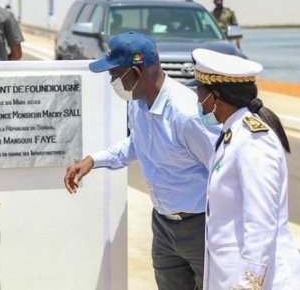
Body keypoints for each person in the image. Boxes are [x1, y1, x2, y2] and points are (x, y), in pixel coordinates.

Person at [64, 31, 219, 290]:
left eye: (115, 75)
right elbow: (136, 144)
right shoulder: (138, 103)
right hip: (163, 226)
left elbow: (220, 168)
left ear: (135, 74)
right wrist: (93, 159)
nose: (113, 81)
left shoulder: (186, 115)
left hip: (201, 227)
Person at [189, 48, 300, 289]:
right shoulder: (234, 132)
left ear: (215, 96)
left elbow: (261, 223)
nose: (197, 100)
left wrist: (247, 284)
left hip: (263, 281)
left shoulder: (254, 142)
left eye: (199, 92)